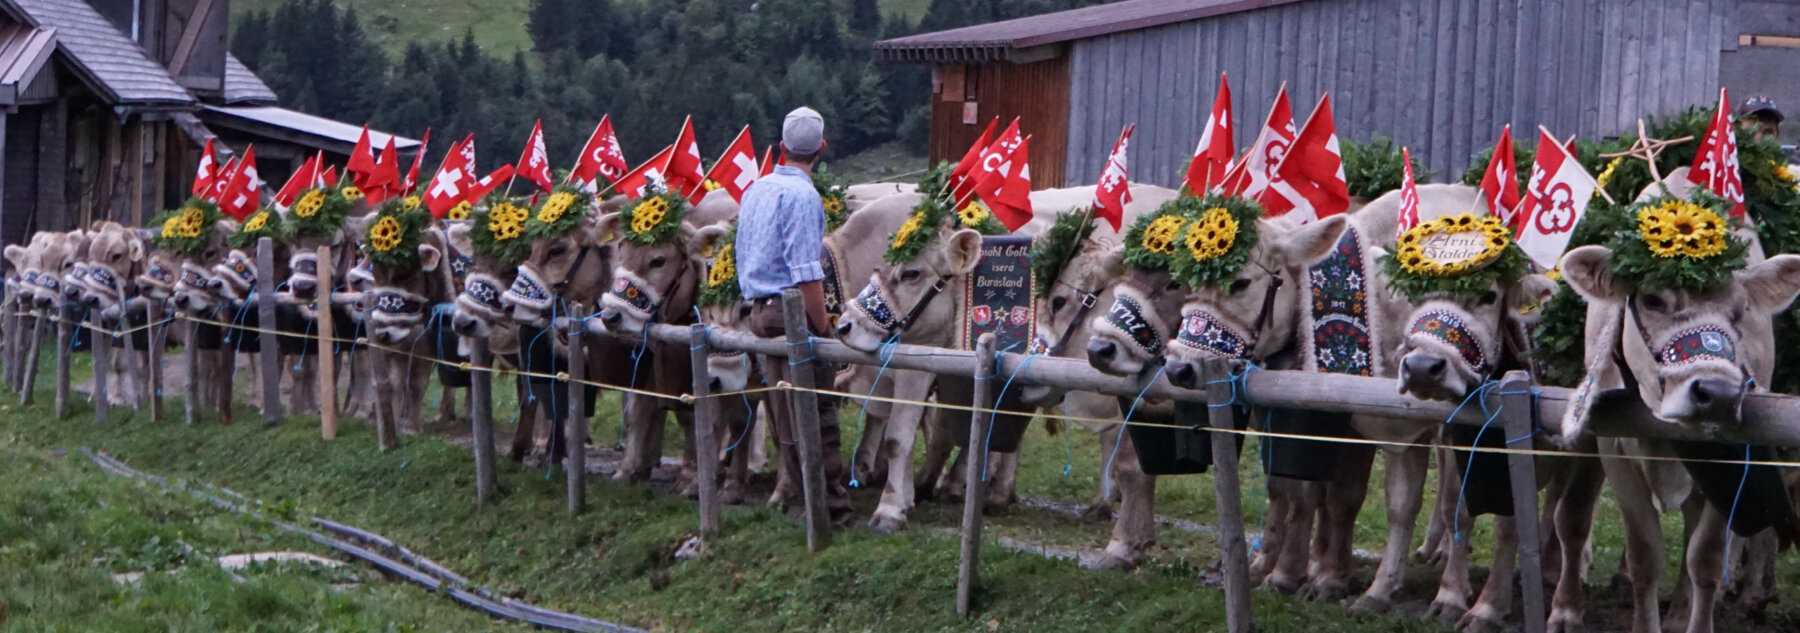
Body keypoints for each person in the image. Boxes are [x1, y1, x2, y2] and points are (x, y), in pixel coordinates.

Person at [734, 106, 853, 525]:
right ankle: (829, 509)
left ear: (781, 147)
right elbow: (806, 273)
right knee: (814, 411)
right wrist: (824, 329)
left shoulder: (756, 189)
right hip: (789, 312)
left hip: (758, 310)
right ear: (821, 149)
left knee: (785, 413)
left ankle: (806, 502)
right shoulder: (804, 197)